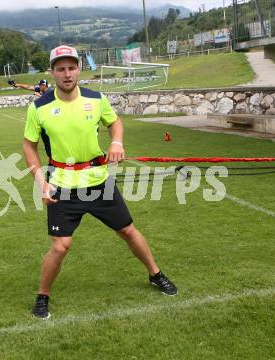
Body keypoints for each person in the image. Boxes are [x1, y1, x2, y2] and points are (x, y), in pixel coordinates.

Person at [23, 45, 177, 320]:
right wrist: (40, 182)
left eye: (72, 67)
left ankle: (155, 274)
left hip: (98, 181)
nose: (67, 74)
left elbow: (115, 122)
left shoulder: (96, 99)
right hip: (62, 184)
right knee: (60, 246)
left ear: (79, 69)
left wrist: (117, 141)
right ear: (53, 72)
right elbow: (29, 145)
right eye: (61, 69)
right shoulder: (39, 107)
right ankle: (42, 295)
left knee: (128, 231)